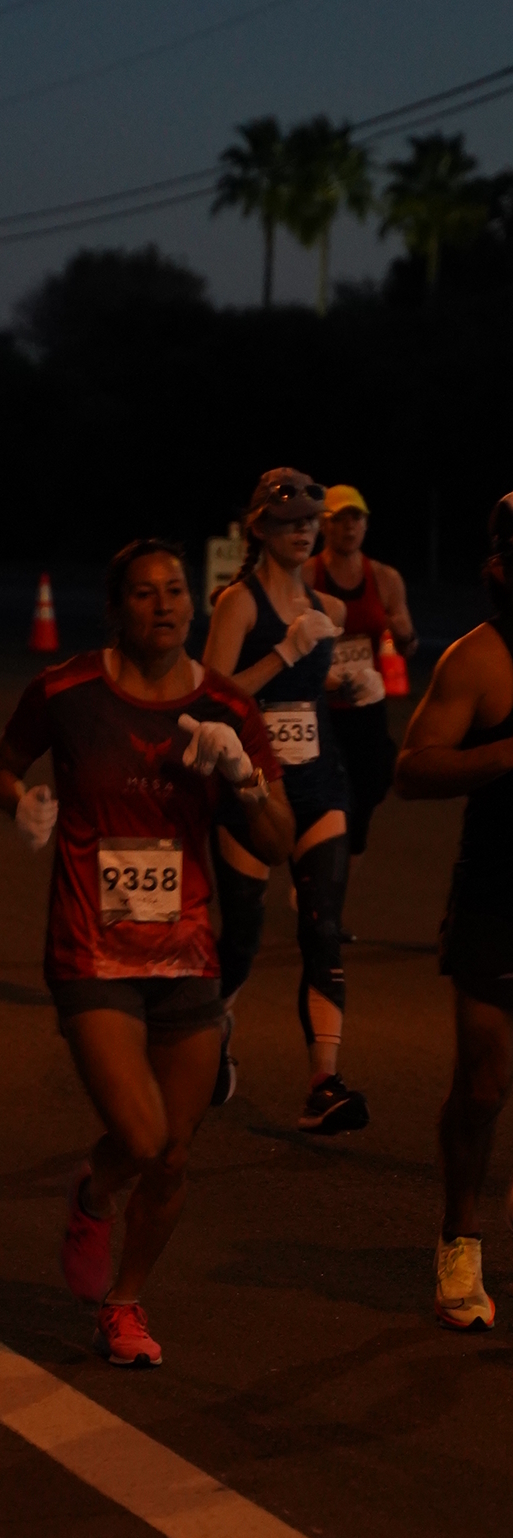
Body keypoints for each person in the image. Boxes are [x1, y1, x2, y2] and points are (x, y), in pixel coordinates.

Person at [0, 539, 291, 1368]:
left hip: (187, 951)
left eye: (176, 591)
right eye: (146, 594)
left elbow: (279, 840)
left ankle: (124, 1304)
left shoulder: (227, 705)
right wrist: (22, 804)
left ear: (192, 603)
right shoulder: (66, 691)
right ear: (117, 608)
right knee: (145, 1135)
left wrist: (245, 778)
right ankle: (94, 1193)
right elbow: (3, 766)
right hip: (91, 949)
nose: (165, 606)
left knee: (175, 1154)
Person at [203, 468, 369, 1134]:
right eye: (290, 521)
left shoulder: (328, 607)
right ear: (261, 528)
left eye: (310, 521)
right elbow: (212, 699)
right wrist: (284, 650)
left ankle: (324, 1082)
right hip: (251, 787)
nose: (303, 531)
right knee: (243, 934)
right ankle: (214, 1033)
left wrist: (347, 686)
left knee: (322, 928)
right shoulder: (238, 604)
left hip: (319, 783)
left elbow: (308, 686)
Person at [394, 491, 513, 1329]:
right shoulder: (479, 660)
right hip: (499, 894)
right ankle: (458, 1239)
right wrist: (508, 753)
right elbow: (414, 768)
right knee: (482, 1082)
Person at [305, 483, 417, 869]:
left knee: (368, 791)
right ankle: (316, 875)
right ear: (324, 525)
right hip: (321, 707)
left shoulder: (385, 578)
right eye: (339, 519)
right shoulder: (307, 575)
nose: (348, 527)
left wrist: (405, 635)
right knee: (321, 795)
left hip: (367, 707)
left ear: (366, 524)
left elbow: (407, 647)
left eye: (356, 518)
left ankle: (343, 864)